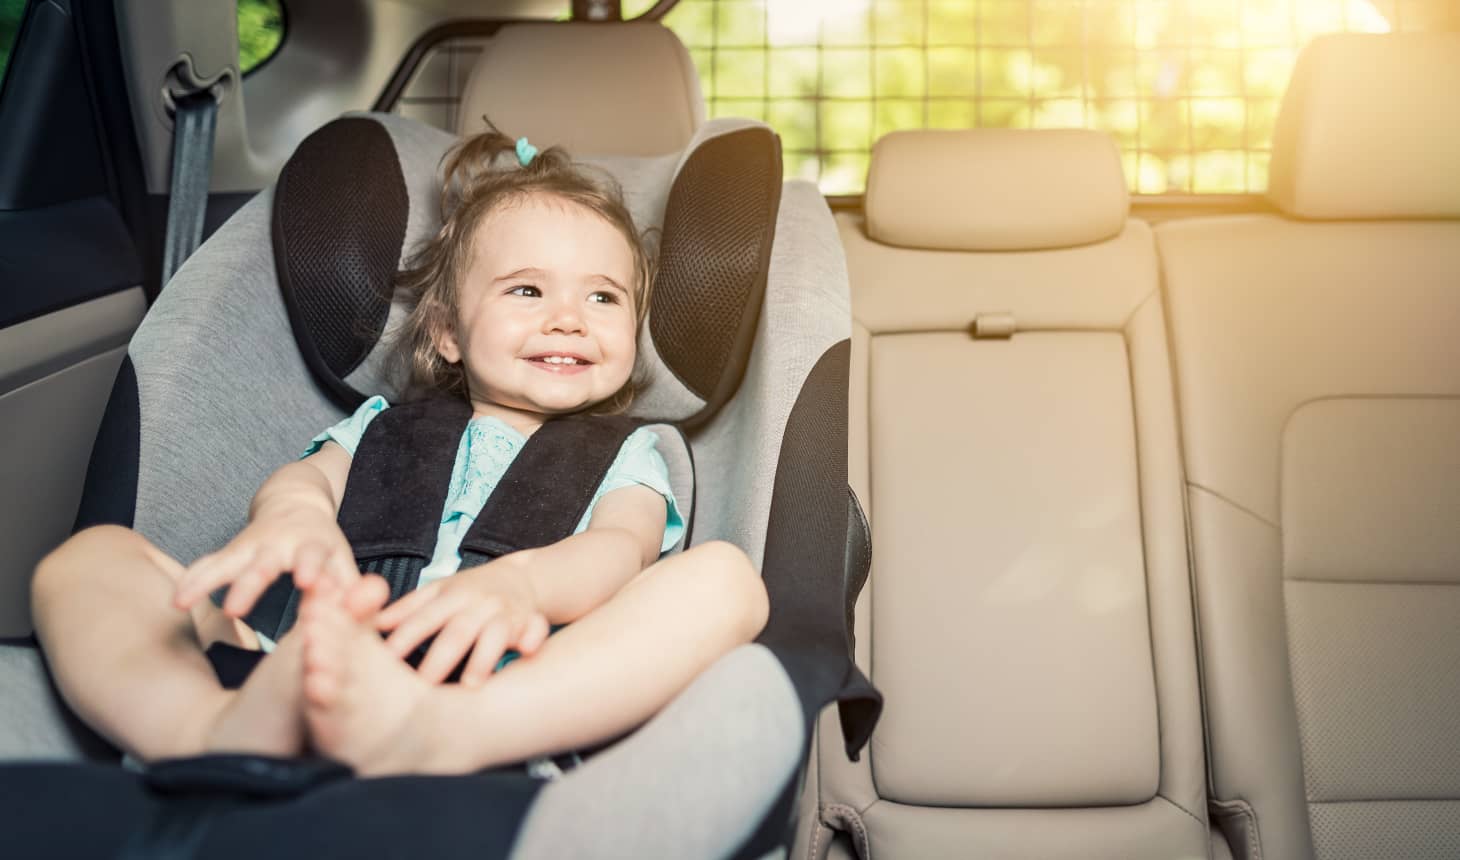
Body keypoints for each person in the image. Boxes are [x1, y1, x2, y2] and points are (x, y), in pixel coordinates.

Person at [29, 128, 770, 778]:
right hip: (305, 664)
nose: (570, 320)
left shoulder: (629, 452)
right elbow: (307, 480)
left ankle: (438, 736)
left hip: (504, 687)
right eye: (527, 291)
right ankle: (206, 731)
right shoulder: (383, 426)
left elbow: (621, 548)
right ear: (447, 332)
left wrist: (524, 589)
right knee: (89, 560)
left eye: (604, 299)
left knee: (728, 581)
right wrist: (294, 521)